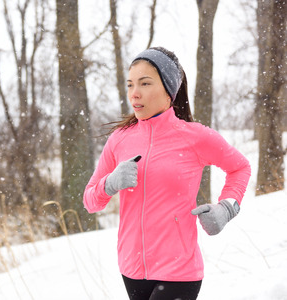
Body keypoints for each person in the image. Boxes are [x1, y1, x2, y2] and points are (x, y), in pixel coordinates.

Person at [83, 47, 251, 300]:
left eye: (145, 83)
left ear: (169, 90)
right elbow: (90, 201)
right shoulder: (119, 140)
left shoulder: (194, 136)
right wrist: (110, 183)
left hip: (178, 270)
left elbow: (240, 167)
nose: (134, 93)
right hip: (131, 269)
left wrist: (227, 207)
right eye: (130, 85)